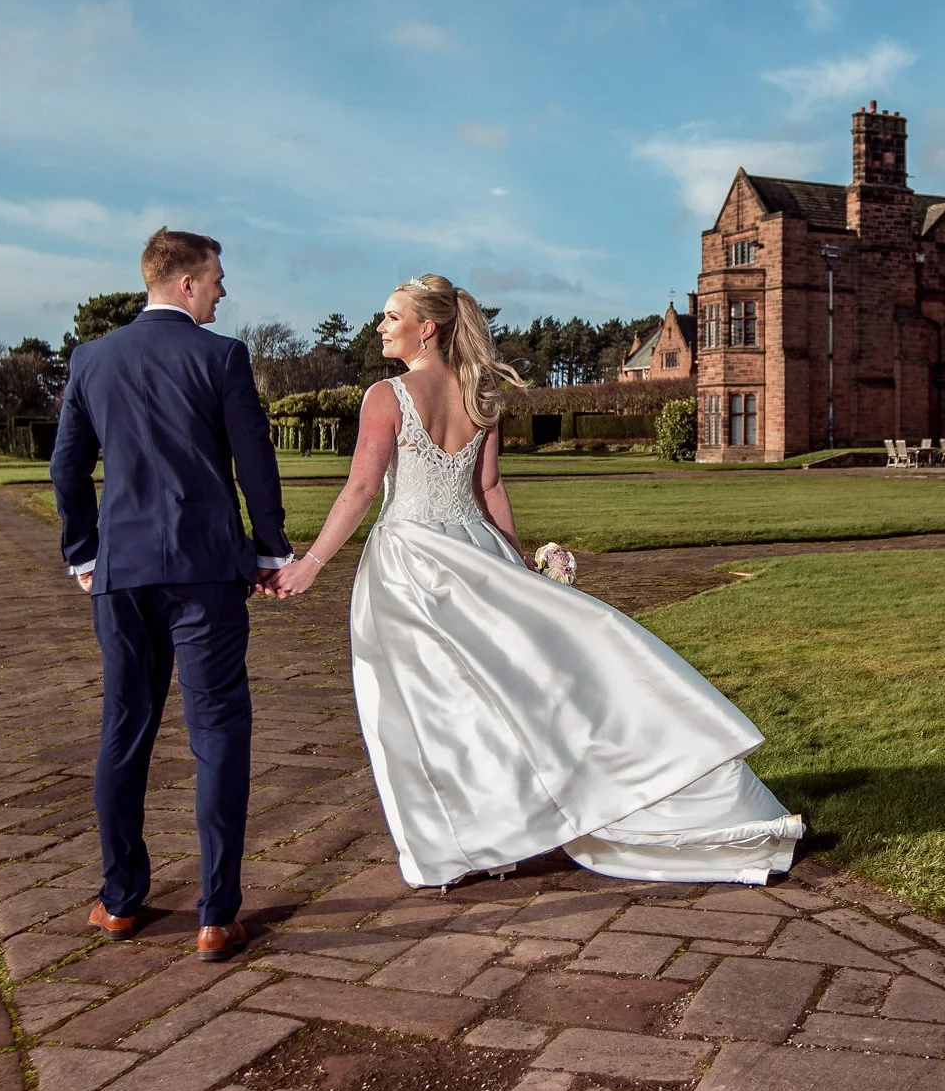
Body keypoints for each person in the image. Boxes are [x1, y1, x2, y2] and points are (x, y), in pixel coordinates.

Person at [274, 273, 803, 888]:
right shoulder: (480, 394)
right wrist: (518, 563)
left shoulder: (385, 397)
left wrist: (310, 563)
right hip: (475, 553)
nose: (381, 326)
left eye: (392, 316)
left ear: (428, 327)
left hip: (411, 564)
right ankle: (505, 833)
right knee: (505, 696)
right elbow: (489, 489)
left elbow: (363, 488)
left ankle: (467, 844)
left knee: (430, 708)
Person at [51, 227, 293, 959]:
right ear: (185, 282)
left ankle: (121, 901)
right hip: (206, 573)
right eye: (216, 276)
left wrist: (82, 552)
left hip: (121, 573)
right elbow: (254, 462)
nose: (223, 288)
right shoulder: (221, 356)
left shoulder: (92, 359)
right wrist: (270, 546)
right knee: (217, 733)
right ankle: (216, 914)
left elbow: (66, 466)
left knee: (124, 727)